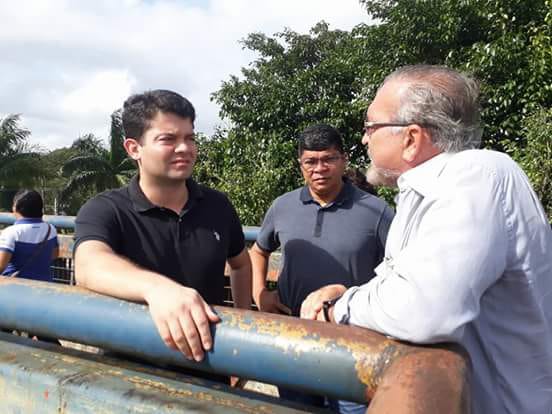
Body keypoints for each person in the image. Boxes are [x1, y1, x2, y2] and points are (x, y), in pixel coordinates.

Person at [301, 65, 552, 414]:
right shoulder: (431, 190)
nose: (364, 139)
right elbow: (402, 283)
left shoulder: (475, 177)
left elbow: (425, 311)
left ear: (411, 138)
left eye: (370, 127)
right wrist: (348, 293)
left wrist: (339, 307)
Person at [74, 90, 252, 380]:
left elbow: (241, 263)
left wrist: (242, 333)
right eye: (168, 139)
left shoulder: (218, 205)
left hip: (209, 370)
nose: (185, 148)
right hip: (128, 377)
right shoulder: (106, 209)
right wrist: (158, 289)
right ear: (134, 148)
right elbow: (88, 264)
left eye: (190, 138)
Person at [250, 124, 394, 413]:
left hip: (354, 344)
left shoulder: (376, 211)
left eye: (328, 159)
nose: (319, 168)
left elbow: (399, 267)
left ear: (343, 160)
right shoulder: (282, 206)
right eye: (311, 161)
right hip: (294, 339)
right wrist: (260, 294)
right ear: (300, 164)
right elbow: (258, 251)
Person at [0, 189, 59, 280]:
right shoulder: (51, 229)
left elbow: (1, 266)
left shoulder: (11, 232)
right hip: (44, 284)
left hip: (14, 286)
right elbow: (54, 254)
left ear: (15, 208)